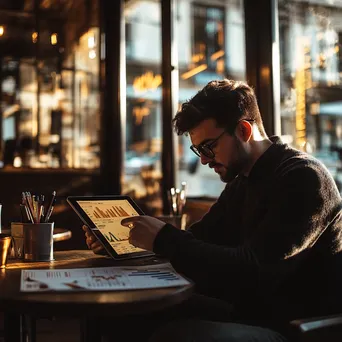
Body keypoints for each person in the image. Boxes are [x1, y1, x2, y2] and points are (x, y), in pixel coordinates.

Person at [83, 79, 342, 342]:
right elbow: (201, 239)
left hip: (295, 327)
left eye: (209, 147)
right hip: (250, 311)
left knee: (175, 335)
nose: (204, 160)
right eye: (198, 150)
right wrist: (125, 243)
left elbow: (254, 271)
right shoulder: (243, 180)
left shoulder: (303, 178)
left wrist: (162, 239)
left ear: (243, 130)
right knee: (125, 311)